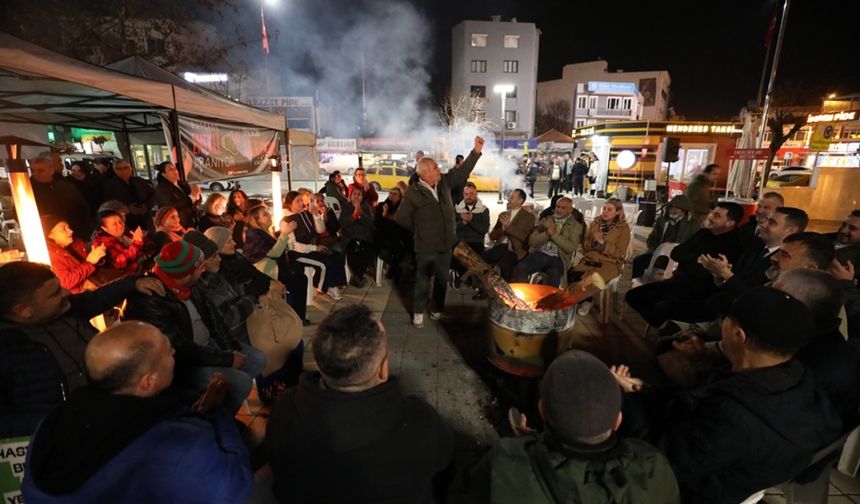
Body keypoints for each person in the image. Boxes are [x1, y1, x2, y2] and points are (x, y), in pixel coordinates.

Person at [615, 287, 842, 504]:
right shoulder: (796, 378)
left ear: (738, 334)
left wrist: (628, 398)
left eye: (727, 317)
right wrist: (642, 389)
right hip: (703, 460)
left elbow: (656, 463)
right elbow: (696, 398)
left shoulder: (734, 416)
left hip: (678, 490)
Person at [21, 321, 253, 503]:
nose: (173, 350)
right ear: (149, 381)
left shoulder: (53, 421)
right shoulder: (177, 440)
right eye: (168, 352)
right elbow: (233, 491)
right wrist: (217, 414)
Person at [265, 304, 454, 503]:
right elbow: (444, 463)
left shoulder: (284, 408)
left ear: (321, 366)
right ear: (383, 369)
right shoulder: (420, 421)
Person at [471, 351, 680, 503]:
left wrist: (527, 445)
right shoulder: (654, 466)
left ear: (542, 411)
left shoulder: (505, 461)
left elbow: (474, 486)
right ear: (617, 421)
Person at [0, 262, 164, 438]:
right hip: (77, 439)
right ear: (24, 311)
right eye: (55, 294)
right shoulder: (8, 349)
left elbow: (97, 298)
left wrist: (133, 283)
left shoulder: (67, 309)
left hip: (121, 410)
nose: (66, 293)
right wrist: (60, 421)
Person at [123, 241, 256, 414]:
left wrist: (231, 349)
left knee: (256, 359)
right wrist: (227, 359)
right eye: (200, 266)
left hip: (205, 346)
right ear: (184, 273)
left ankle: (222, 407)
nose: (204, 269)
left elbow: (214, 319)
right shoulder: (150, 300)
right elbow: (179, 347)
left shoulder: (191, 284)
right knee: (241, 382)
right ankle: (215, 418)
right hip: (181, 365)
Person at [395, 136, 485, 328]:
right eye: (435, 167)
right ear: (425, 173)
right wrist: (419, 231)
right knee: (422, 280)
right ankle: (418, 312)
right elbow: (401, 219)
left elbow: (462, 173)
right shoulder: (413, 193)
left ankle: (436, 309)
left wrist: (475, 152)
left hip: (446, 243)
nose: (439, 169)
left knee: (442, 279)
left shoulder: (443, 182)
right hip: (426, 246)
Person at [205, 226, 306, 395]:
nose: (235, 242)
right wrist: (261, 293)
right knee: (277, 343)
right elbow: (239, 298)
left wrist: (270, 283)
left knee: (294, 336)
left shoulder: (236, 257)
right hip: (244, 322)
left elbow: (255, 275)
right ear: (217, 246)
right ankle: (269, 387)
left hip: (258, 308)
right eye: (229, 241)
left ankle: (290, 383)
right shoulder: (218, 272)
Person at [625, 202, 744, 327]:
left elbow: (703, 274)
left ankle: (673, 330)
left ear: (730, 223)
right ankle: (667, 327)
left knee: (662, 308)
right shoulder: (703, 234)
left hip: (699, 292)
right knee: (633, 295)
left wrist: (689, 260)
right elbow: (676, 252)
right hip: (677, 281)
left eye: (717, 215)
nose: (710, 217)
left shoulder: (734, 244)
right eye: (712, 213)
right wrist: (698, 259)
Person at [569, 198, 631, 316]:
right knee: (573, 274)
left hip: (610, 263)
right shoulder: (595, 224)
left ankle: (578, 301)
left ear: (618, 212)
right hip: (591, 259)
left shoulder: (623, 229)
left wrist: (602, 242)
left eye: (609, 209)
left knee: (590, 279)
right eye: (604, 208)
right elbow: (585, 245)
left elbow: (619, 252)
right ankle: (587, 300)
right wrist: (593, 242)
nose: (605, 212)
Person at [283, 192, 348, 300]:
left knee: (336, 255)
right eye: (297, 201)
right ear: (290, 204)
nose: (301, 203)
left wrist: (316, 215)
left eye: (301, 200)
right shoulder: (286, 220)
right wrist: (315, 248)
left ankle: (330, 284)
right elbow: (294, 246)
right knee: (326, 262)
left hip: (311, 248)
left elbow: (320, 229)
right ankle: (326, 287)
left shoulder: (304, 214)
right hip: (297, 253)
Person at [514, 197, 584, 288]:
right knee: (521, 267)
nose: (558, 210)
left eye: (563, 208)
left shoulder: (575, 226)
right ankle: (524, 295)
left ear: (570, 210)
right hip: (540, 253)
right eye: (557, 207)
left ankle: (549, 301)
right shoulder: (546, 220)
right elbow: (532, 241)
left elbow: (570, 248)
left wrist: (554, 235)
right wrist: (547, 234)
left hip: (559, 258)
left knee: (554, 275)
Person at [631, 195, 699, 279]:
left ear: (684, 210)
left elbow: (695, 245)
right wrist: (655, 251)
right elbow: (652, 238)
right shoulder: (662, 221)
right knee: (637, 262)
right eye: (671, 207)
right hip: (659, 256)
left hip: (679, 260)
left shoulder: (692, 225)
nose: (673, 210)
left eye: (677, 208)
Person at [29, 155, 92, 237]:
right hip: (46, 236)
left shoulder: (66, 187)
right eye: (33, 171)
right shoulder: (28, 191)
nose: (36, 174)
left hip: (73, 233)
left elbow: (82, 209)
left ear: (51, 170)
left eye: (40, 170)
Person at [43, 215, 105, 294]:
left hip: (99, 284)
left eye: (68, 227)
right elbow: (65, 282)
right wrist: (90, 263)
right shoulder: (50, 255)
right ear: (50, 235)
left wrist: (99, 255)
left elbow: (93, 262)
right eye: (63, 229)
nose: (71, 231)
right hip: (84, 296)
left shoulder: (76, 242)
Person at [484, 188, 535, 282]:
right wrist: (501, 229)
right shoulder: (504, 214)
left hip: (516, 250)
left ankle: (505, 291)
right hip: (501, 246)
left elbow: (525, 238)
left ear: (520, 201)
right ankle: (484, 285)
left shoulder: (529, 217)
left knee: (504, 265)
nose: (508, 199)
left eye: (512, 197)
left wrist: (508, 227)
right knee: (482, 257)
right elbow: (493, 237)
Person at [91, 209, 154, 285]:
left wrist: (143, 239)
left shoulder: (125, 232)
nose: (120, 225)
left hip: (142, 265)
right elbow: (119, 262)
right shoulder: (103, 244)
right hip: (130, 279)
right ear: (104, 228)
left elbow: (149, 247)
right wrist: (137, 243)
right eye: (115, 224)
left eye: (120, 221)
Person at [101, 159, 156, 232]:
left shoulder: (140, 181)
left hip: (146, 220)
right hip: (126, 223)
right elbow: (108, 205)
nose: (123, 170)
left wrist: (146, 206)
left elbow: (154, 196)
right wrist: (127, 208)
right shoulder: (109, 186)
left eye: (126, 167)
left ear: (131, 168)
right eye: (119, 168)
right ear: (114, 170)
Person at [340, 188, 376, 287]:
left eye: (359, 194)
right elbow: (342, 223)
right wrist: (353, 216)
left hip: (365, 237)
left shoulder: (366, 207)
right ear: (350, 196)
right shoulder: (346, 207)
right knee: (352, 251)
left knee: (366, 251)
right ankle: (358, 277)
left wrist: (360, 215)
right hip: (350, 237)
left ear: (362, 197)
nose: (356, 196)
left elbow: (371, 223)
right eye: (354, 194)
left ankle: (357, 276)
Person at [154, 161, 201, 229]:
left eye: (175, 168)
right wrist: (192, 198)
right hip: (178, 224)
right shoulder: (161, 188)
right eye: (170, 169)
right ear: (164, 174)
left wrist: (197, 196)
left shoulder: (182, 183)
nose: (175, 170)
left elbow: (193, 198)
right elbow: (171, 205)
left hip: (192, 220)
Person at [375, 187, 410, 277]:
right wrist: (384, 214)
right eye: (390, 193)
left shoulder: (403, 208)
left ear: (400, 197)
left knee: (402, 249)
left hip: (399, 237)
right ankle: (396, 268)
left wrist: (387, 215)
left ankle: (395, 269)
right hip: (384, 237)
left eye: (395, 194)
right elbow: (377, 223)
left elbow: (401, 221)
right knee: (385, 252)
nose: (391, 195)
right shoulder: (382, 205)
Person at [455, 182, 491, 255]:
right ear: (463, 195)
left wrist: (471, 220)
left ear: (476, 194)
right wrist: (463, 223)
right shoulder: (457, 209)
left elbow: (484, 230)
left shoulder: (483, 210)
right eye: (466, 194)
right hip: (460, 244)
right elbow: (452, 229)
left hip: (477, 244)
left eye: (471, 194)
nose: (469, 196)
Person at [829, 210, 860, 278]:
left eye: (852, 228)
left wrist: (845, 281)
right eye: (843, 225)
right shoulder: (821, 238)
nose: (843, 230)